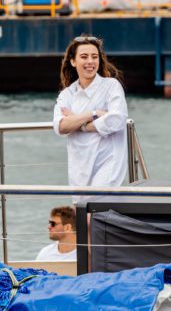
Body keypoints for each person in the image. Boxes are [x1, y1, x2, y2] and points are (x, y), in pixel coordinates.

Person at [53, 35, 128, 201]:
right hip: (79, 168)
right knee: (82, 221)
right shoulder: (67, 94)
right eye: (84, 57)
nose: (90, 62)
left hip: (108, 164)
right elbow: (60, 126)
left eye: (95, 57)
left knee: (92, 215)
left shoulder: (111, 86)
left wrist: (80, 124)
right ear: (73, 61)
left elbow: (116, 120)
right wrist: (93, 113)